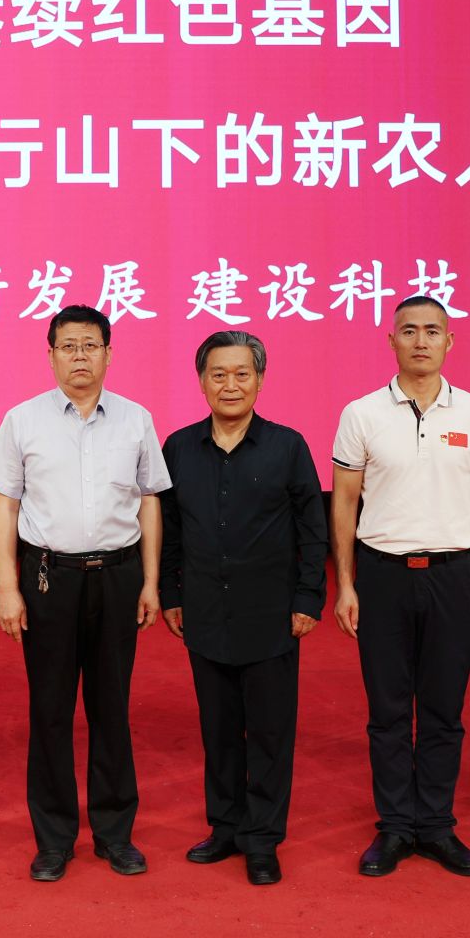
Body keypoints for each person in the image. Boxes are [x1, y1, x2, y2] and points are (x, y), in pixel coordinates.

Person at [0, 304, 171, 882]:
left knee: (112, 708)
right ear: (51, 355)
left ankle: (115, 834)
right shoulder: (23, 420)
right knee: (50, 709)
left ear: (109, 354)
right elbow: (3, 507)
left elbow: (149, 501)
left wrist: (151, 581)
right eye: (68, 346)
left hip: (118, 576)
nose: (80, 356)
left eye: (91, 346)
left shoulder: (135, 418)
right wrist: (7, 588)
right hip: (48, 578)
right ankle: (54, 839)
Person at [331, 296, 470, 879]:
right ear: (392, 340)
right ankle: (394, 827)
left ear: (449, 341)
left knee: (443, 710)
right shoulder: (361, 413)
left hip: (453, 576)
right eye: (409, 330)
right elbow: (345, 502)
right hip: (381, 574)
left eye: (433, 331)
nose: (421, 341)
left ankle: (435, 825)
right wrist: (346, 583)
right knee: (386, 710)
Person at [159, 331, 327, 886]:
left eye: (241, 374)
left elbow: (313, 529)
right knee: (219, 730)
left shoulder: (287, 446)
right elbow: (170, 530)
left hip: (272, 614)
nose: (230, 385)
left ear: (259, 379)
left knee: (271, 734)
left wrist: (308, 597)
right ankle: (226, 827)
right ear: (202, 381)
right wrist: (170, 594)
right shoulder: (179, 448)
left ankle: (262, 839)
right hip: (205, 611)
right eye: (218, 374)